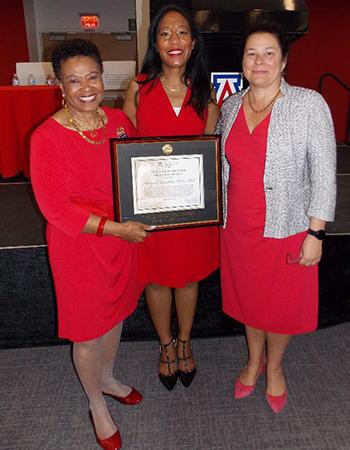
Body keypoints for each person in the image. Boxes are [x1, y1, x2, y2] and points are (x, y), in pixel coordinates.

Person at [30, 39, 152, 450]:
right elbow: (56, 209)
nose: (86, 87)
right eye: (74, 80)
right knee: (87, 331)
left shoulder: (119, 121)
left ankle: (107, 376)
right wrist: (118, 229)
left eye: (93, 77)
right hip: (79, 245)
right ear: (59, 85)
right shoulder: (46, 137)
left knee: (115, 315)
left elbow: (137, 173)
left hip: (120, 240)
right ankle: (96, 402)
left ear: (103, 77)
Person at [216, 23, 336, 413]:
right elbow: (221, 167)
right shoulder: (231, 106)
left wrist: (316, 232)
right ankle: (253, 361)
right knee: (249, 301)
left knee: (280, 305)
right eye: (252, 53)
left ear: (284, 61)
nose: (260, 61)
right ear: (242, 62)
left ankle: (276, 369)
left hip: (287, 227)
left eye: (269, 53)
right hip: (239, 227)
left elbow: (324, 171)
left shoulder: (308, 104)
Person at [123, 4, 219, 391]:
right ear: (155, 43)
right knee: (157, 279)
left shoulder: (205, 92)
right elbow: (123, 148)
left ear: (193, 43)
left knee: (189, 278)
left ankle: (185, 341)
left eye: (182, 33)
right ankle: (166, 346)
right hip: (151, 208)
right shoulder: (139, 88)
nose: (174, 40)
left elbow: (210, 153)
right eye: (165, 34)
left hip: (191, 208)